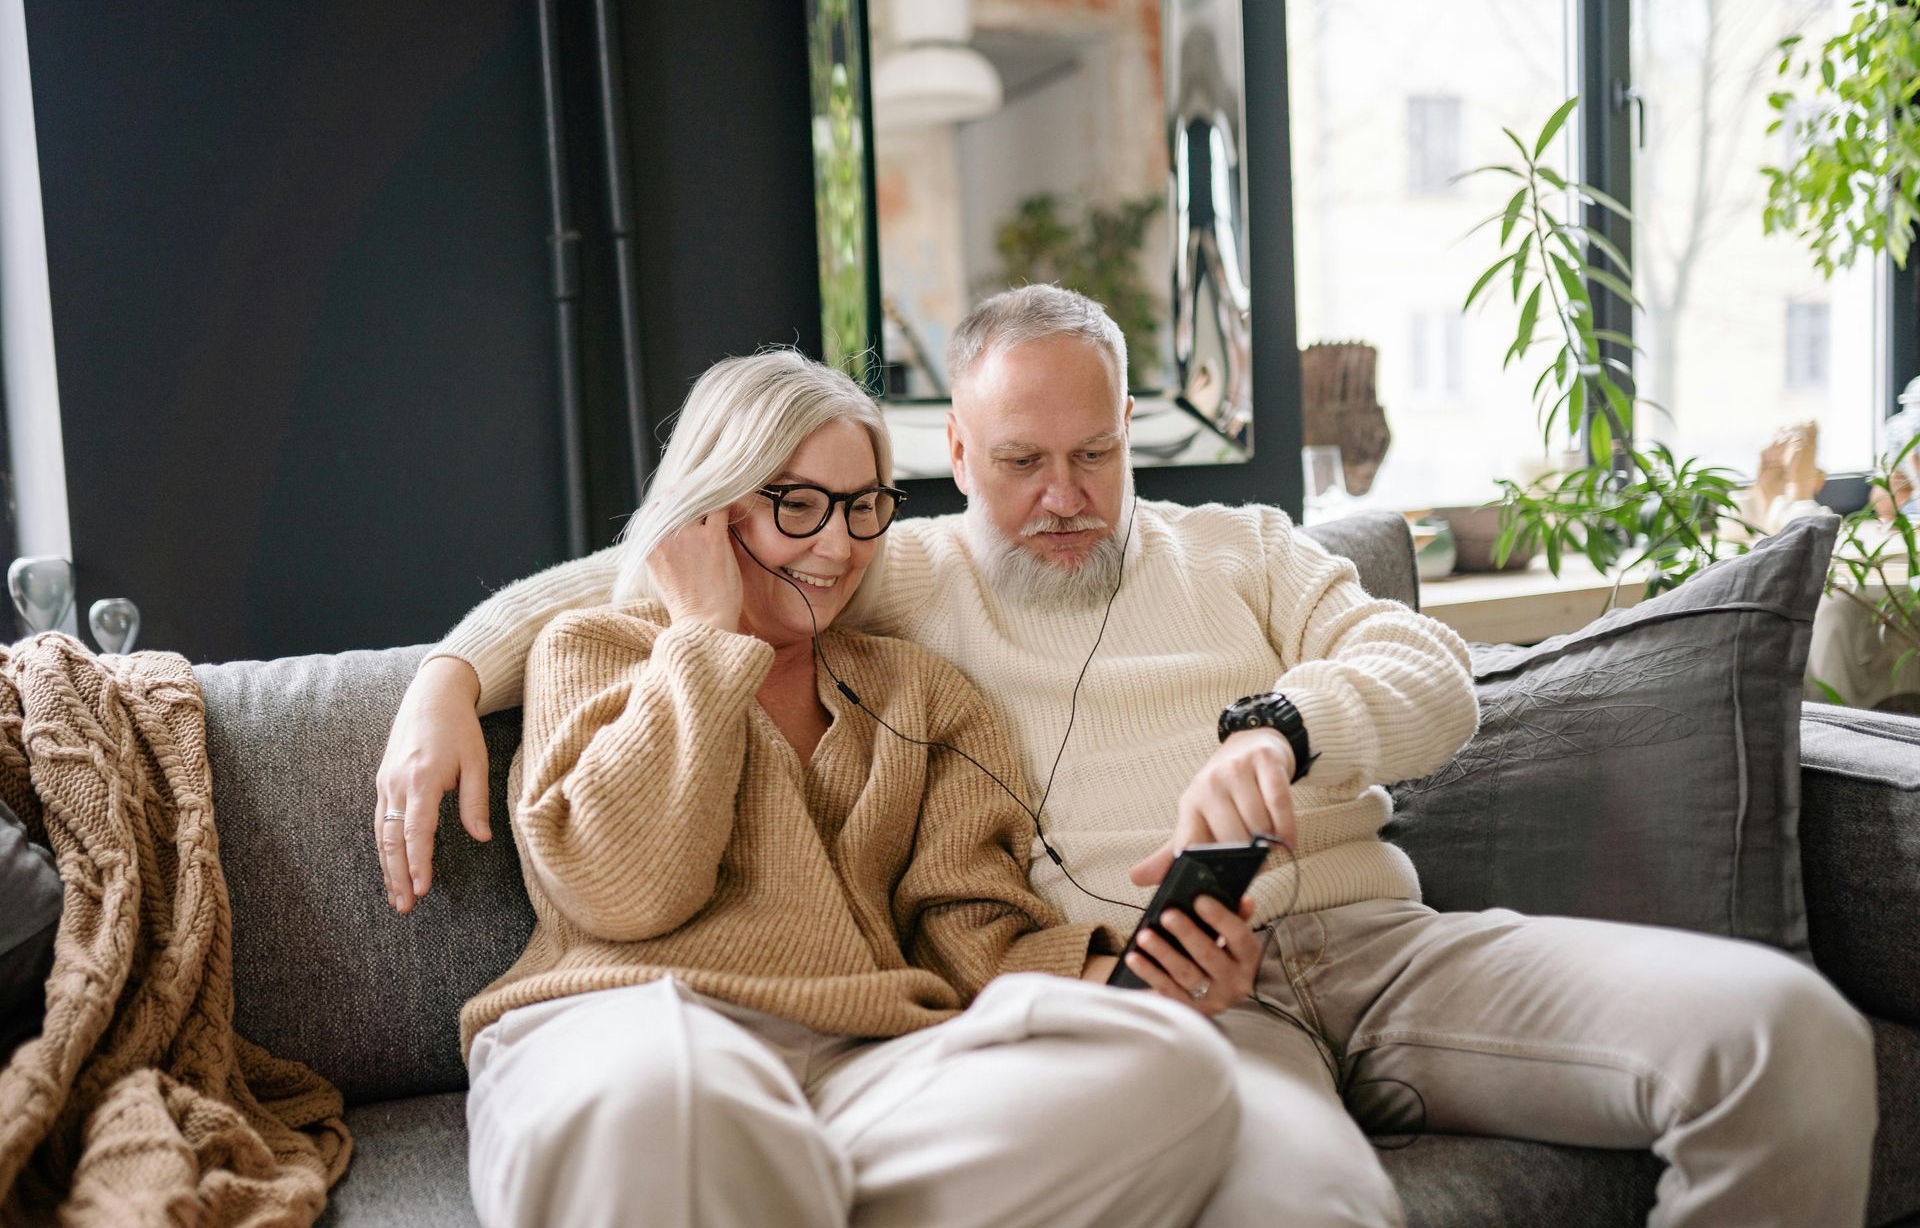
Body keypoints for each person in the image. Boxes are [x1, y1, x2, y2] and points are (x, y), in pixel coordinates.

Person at [385, 287, 1877, 1227]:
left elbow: (1429, 676)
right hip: (1184, 997)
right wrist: (450, 670)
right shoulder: (886, 576)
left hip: (1380, 941)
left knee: (1789, 1039)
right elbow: (637, 570)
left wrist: (1287, 737)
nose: (1060, 498)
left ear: (1131, 445)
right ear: (955, 464)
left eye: (1093, 455)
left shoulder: (1239, 550)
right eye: (1020, 463)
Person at [450, 351, 1240, 1228]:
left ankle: (776, 1196)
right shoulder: (596, 651)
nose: (839, 546)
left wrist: (1132, 978)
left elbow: (969, 932)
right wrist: (704, 640)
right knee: (668, 1101)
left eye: (864, 507)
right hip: (629, 1033)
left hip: (863, 1066)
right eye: (798, 505)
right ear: (708, 514)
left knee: (1170, 1067)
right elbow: (623, 890)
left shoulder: (918, 693)